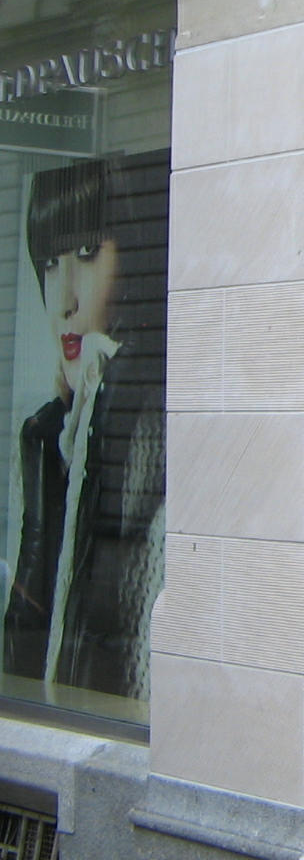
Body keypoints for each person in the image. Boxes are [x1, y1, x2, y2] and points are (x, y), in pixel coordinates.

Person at [2, 156, 167, 702]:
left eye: (89, 253)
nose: (64, 298)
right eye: (50, 262)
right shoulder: (50, 435)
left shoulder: (149, 434)